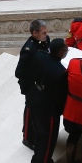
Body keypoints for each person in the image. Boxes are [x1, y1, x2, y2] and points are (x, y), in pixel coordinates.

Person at [27, 39, 69, 163]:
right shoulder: (60, 72)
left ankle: (36, 161)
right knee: (47, 138)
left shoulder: (40, 56)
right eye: (66, 50)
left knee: (39, 133)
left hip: (35, 98)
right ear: (60, 52)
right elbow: (60, 95)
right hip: (48, 108)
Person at [15, 19, 50, 150]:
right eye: (43, 33)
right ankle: (28, 138)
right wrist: (33, 81)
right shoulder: (28, 50)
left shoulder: (44, 41)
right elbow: (19, 72)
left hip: (40, 83)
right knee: (30, 109)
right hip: (31, 86)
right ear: (34, 33)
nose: (46, 35)